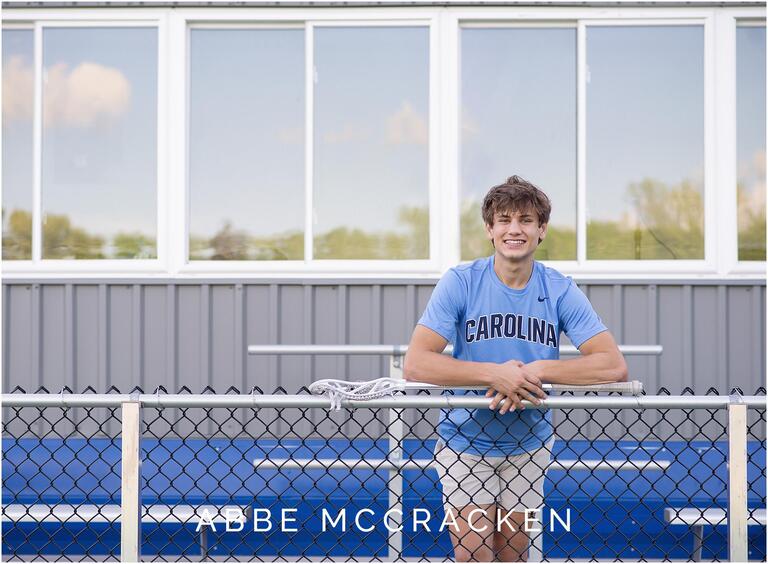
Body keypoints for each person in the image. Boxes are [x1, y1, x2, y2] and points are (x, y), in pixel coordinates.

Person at [403, 175, 627, 562]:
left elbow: (612, 364)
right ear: (490, 229)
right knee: (475, 557)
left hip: (529, 446)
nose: (514, 229)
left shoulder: (559, 289)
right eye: (504, 220)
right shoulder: (461, 282)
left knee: (513, 558)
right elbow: (417, 363)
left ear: (541, 230)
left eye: (525, 220)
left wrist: (537, 370)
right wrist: (495, 374)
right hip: (465, 445)